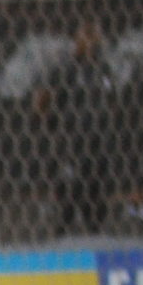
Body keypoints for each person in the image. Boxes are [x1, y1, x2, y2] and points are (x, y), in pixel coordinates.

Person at [45, 21, 115, 236]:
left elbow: (111, 100)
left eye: (97, 37)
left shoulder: (104, 69)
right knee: (72, 184)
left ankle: (96, 228)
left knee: (96, 184)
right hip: (74, 138)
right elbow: (53, 102)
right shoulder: (68, 69)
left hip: (99, 138)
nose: (94, 42)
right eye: (88, 37)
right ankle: (62, 230)